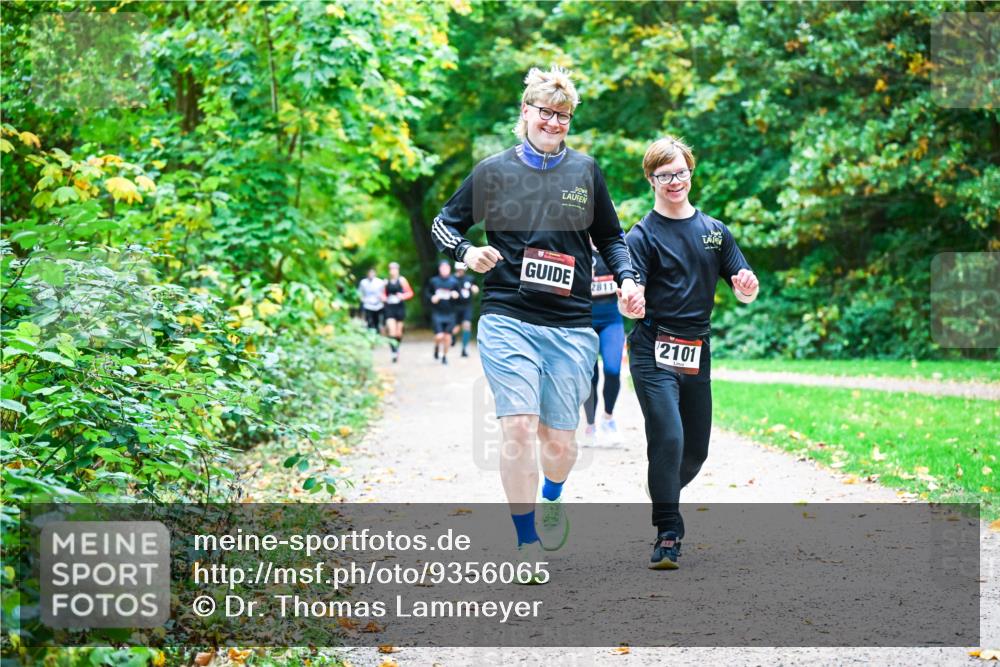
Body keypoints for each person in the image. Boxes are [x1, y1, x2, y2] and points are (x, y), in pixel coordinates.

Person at [430, 65, 644, 574]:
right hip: (507, 313)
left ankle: (552, 494)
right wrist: (467, 252)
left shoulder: (585, 171)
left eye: (563, 115)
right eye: (545, 112)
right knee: (520, 427)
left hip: (571, 322)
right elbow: (445, 223)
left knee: (560, 443)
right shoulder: (494, 171)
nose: (553, 122)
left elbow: (612, 237)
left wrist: (629, 279)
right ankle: (525, 542)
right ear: (525, 112)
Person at [625, 136, 759, 570]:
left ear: (690, 172)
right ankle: (668, 533)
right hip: (652, 347)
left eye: (680, 172)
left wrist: (746, 286)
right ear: (651, 180)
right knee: (669, 436)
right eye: (665, 175)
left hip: (696, 350)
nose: (674, 181)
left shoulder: (715, 233)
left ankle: (662, 486)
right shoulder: (641, 235)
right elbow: (634, 285)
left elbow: (741, 278)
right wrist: (632, 300)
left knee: (694, 452)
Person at [581, 244, 626, 447]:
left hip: (612, 320)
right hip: (585, 320)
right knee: (590, 375)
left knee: (612, 369)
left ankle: (608, 419)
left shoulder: (614, 247)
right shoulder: (577, 245)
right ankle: (590, 425)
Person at [427, 260, 461, 365]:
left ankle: (445, 356)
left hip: (450, 313)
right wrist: (432, 297)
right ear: (439, 269)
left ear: (449, 269)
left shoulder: (454, 282)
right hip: (438, 312)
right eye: (442, 267)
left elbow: (460, 297)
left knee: (447, 337)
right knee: (439, 336)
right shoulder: (434, 281)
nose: (444, 269)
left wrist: (456, 295)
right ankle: (437, 347)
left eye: (446, 267)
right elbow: (427, 293)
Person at [384, 262, 414, 363]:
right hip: (389, 307)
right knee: (391, 330)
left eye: (395, 269)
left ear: (398, 270)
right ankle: (394, 352)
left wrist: (402, 296)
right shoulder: (386, 281)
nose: (393, 271)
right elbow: (382, 294)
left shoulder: (402, 280)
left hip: (399, 307)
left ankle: (397, 348)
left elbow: (410, 293)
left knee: (398, 332)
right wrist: (385, 298)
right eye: (391, 269)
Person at [450, 262, 480, 358]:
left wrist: (475, 289)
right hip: (455, 307)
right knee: (456, 328)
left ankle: (464, 349)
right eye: (459, 270)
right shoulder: (452, 279)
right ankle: (452, 336)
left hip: (467, 306)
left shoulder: (469, 279)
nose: (460, 272)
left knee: (467, 325)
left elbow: (475, 288)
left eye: (462, 270)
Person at [357, 267, 385, 333]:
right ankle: (370, 334)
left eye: (372, 273)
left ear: (375, 274)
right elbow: (360, 293)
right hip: (368, 305)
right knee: (369, 321)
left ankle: (377, 334)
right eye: (370, 273)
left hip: (378, 305)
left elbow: (384, 293)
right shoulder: (363, 282)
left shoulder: (380, 282)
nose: (371, 274)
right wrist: (362, 299)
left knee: (377, 321)